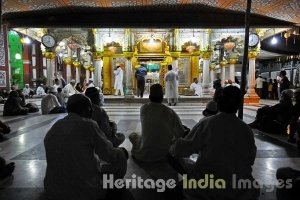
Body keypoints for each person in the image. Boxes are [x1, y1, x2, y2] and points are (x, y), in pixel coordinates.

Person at [170, 86, 259, 200]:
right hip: (239, 188)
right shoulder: (246, 129)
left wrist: (174, 143)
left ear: (219, 102)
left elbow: (180, 150)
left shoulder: (207, 123)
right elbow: (250, 159)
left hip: (209, 188)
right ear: (238, 105)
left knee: (172, 156)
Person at [44, 94, 128, 200]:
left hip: (53, 191)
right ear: (82, 109)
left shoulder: (55, 127)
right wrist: (121, 152)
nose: (92, 110)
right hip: (86, 192)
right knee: (121, 154)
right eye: (89, 107)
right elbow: (109, 155)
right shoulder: (88, 125)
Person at [129, 84, 185, 162]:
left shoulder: (144, 108)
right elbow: (180, 132)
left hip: (143, 154)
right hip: (163, 153)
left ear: (149, 97)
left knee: (133, 135)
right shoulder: (169, 111)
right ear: (162, 97)